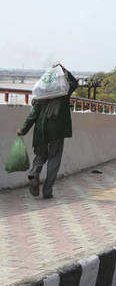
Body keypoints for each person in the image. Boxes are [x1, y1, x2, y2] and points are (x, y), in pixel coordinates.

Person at [17, 64, 78, 199]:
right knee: (54, 159)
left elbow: (32, 115)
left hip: (40, 130)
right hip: (57, 131)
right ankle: (47, 191)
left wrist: (23, 129)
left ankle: (34, 173)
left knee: (40, 156)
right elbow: (74, 83)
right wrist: (63, 69)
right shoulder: (63, 93)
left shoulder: (40, 96)